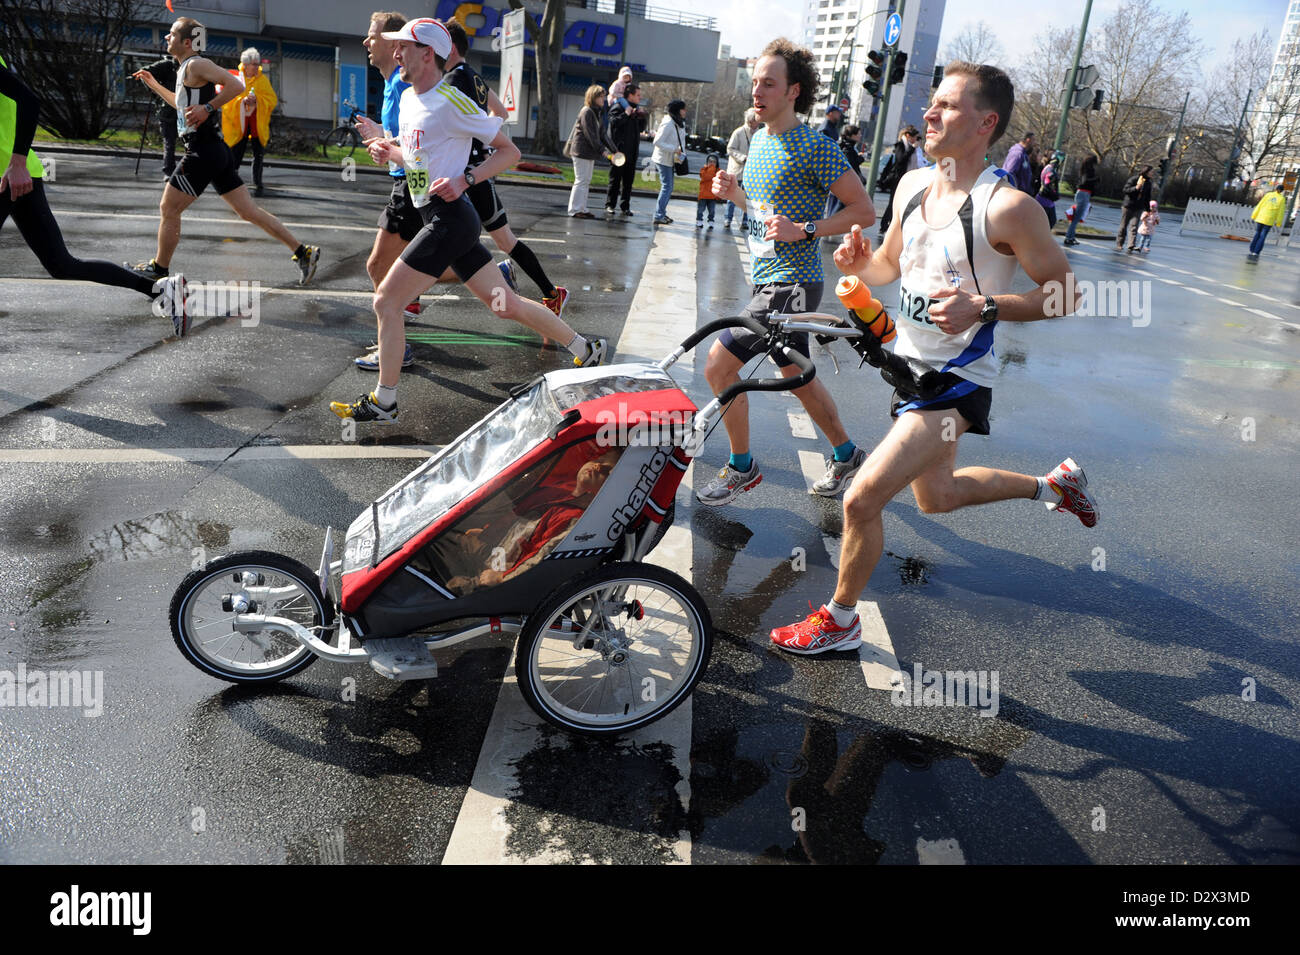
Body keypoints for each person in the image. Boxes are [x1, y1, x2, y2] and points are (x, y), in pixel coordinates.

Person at [769, 60, 1099, 655]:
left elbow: (1066, 293)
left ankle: (840, 620)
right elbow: (888, 269)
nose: (929, 113)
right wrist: (856, 265)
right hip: (910, 371)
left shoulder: (1007, 208)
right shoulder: (913, 185)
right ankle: (1053, 486)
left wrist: (985, 307)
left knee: (861, 497)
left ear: (985, 122)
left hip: (956, 382)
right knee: (936, 497)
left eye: (946, 106)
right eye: (932, 102)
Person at [329, 18, 606, 424]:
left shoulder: (452, 101)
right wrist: (389, 151)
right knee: (505, 305)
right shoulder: (407, 100)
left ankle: (385, 401)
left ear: (428, 54)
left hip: (452, 219)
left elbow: (508, 151)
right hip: (436, 215)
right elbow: (417, 160)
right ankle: (585, 348)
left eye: (405, 46)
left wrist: (466, 179)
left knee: (386, 301)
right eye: (397, 45)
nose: (397, 51)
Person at [701, 37, 876, 507]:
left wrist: (806, 229)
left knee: (719, 366)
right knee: (797, 375)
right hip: (767, 275)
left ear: (794, 90)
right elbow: (763, 213)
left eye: (768, 83)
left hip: (793, 284)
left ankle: (742, 468)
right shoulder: (759, 139)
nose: (757, 91)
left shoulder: (815, 147)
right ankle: (846, 454)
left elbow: (864, 210)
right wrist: (733, 194)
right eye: (755, 82)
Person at [1, 54, 190, 337]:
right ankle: (160, 289)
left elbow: (29, 101)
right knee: (61, 265)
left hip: (12, 174)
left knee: (61, 264)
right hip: (16, 174)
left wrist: (16, 163)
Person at [130, 17, 319, 285]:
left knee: (168, 207)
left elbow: (237, 85)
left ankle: (159, 270)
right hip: (214, 151)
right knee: (248, 211)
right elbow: (181, 106)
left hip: (203, 151)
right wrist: (153, 84)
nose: (166, 38)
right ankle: (304, 252)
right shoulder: (185, 68)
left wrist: (208, 109)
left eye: (171, 34)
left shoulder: (197, 64)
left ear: (186, 42)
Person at [437, 20, 568, 316]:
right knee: (504, 241)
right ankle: (550, 293)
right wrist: (486, 138)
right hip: (479, 172)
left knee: (442, 239)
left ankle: (408, 297)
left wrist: (478, 138)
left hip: (465, 175)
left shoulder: (452, 81)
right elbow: (502, 112)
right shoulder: (475, 79)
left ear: (451, 48)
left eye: (437, 46)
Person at [349, 10, 423, 372]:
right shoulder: (393, 82)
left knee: (379, 265)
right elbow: (403, 133)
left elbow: (417, 139)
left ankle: (396, 349)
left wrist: (387, 145)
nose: (366, 42)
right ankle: (495, 274)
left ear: (393, 42)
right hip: (406, 182)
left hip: (409, 185)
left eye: (372, 35)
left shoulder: (402, 83)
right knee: (411, 263)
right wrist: (378, 132)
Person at [221, 48, 277, 196]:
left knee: (259, 154)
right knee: (236, 153)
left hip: (257, 125)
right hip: (240, 124)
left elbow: (272, 99)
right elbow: (226, 99)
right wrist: (242, 100)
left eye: (258, 64)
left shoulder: (262, 80)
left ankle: (257, 181)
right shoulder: (236, 78)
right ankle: (231, 179)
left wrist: (258, 100)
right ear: (245, 64)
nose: (257, 67)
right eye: (254, 64)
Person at [566, 84, 617, 219]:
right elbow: (591, 136)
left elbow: (603, 135)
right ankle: (574, 210)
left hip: (588, 152)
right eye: (601, 97)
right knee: (581, 180)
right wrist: (604, 152)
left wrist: (615, 151)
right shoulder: (587, 111)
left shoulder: (597, 112)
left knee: (585, 181)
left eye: (604, 97)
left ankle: (582, 208)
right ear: (593, 97)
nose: (604, 99)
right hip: (581, 151)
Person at [604, 83, 646, 216]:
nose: (640, 97)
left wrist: (642, 117)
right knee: (615, 180)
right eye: (638, 95)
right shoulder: (619, 107)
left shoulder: (636, 109)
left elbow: (641, 129)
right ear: (630, 95)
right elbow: (613, 123)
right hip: (619, 152)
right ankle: (610, 205)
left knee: (628, 182)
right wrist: (626, 114)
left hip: (632, 153)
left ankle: (625, 206)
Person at [140, 51, 179, 179]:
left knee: (187, 143)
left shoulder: (190, 65)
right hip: (168, 110)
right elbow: (143, 72)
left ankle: (178, 172)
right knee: (169, 141)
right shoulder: (167, 65)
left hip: (182, 110)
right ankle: (169, 171)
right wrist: (154, 90)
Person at [876, 124, 919, 236]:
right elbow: (901, 160)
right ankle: (884, 225)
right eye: (914, 137)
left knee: (900, 204)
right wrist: (912, 149)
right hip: (898, 179)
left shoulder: (911, 148)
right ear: (908, 135)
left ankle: (891, 225)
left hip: (906, 179)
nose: (915, 140)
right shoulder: (901, 145)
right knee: (894, 203)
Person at [651, 99, 687, 224]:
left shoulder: (678, 122)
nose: (685, 111)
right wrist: (674, 150)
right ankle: (658, 215)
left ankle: (661, 213)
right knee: (667, 187)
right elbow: (657, 141)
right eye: (683, 109)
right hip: (663, 159)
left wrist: (681, 153)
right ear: (678, 110)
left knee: (668, 187)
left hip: (671, 159)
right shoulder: (668, 123)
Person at [724, 108, 760, 230]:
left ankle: (745, 221)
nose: (758, 123)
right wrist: (743, 157)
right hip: (737, 170)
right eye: (756, 120)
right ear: (750, 121)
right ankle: (727, 219)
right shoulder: (738, 132)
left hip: (751, 171)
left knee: (748, 197)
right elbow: (730, 149)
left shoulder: (760, 134)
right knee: (732, 195)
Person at [825, 124, 864, 219]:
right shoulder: (848, 148)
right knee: (838, 208)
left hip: (839, 183)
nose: (860, 136)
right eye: (858, 134)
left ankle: (830, 226)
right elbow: (850, 164)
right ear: (852, 135)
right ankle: (830, 228)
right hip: (844, 184)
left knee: (836, 207)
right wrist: (860, 158)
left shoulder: (844, 145)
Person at [1062, 152, 1098, 246]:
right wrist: (1095, 180)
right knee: (1076, 218)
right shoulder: (1088, 171)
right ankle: (1069, 237)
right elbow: (1085, 181)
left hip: (1084, 193)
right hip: (1084, 193)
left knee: (1076, 217)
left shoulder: (1084, 169)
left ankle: (1071, 236)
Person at [1116, 165, 1152, 251]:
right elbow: (1125, 190)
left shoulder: (1148, 183)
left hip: (1138, 207)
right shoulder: (1134, 179)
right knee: (1123, 226)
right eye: (1151, 172)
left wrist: (1148, 210)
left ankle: (1131, 245)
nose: (1152, 173)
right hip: (1128, 206)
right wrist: (1135, 188)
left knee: (1134, 226)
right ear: (1146, 172)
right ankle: (1120, 243)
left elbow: (1147, 197)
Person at [1247, 182, 1286, 259]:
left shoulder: (1268, 195)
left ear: (1276, 189)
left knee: (1257, 233)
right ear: (1281, 191)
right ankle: (1256, 251)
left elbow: (1260, 205)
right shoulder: (1282, 199)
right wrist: (1278, 222)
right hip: (1269, 219)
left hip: (1261, 217)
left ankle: (1252, 249)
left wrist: (1254, 215)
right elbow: (1280, 212)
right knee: (1263, 235)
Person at [1001, 130, 1034, 194]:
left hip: (1021, 192)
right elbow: (1009, 172)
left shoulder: (1024, 154)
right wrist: (1014, 190)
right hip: (1014, 193)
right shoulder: (1017, 153)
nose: (1034, 143)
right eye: (1033, 140)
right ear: (1028, 140)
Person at [1036, 153, 1060, 228]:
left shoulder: (1048, 168)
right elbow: (1048, 184)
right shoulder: (1050, 170)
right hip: (1045, 199)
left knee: (1049, 221)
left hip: (1046, 199)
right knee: (1048, 222)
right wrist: (1055, 195)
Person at [696, 153, 720, 228]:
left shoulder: (718, 171)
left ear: (717, 163)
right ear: (707, 162)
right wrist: (711, 168)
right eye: (710, 161)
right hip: (703, 194)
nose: (712, 163)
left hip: (712, 196)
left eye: (714, 162)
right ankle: (699, 220)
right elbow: (706, 177)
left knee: (712, 211)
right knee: (701, 209)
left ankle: (711, 221)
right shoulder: (704, 170)